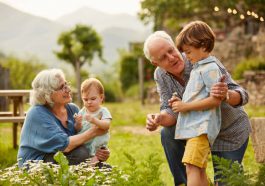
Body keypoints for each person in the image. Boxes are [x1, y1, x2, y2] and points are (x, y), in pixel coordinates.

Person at [143, 30, 251, 186]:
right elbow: (170, 110)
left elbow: (243, 94)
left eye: (171, 50)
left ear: (174, 45)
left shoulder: (201, 58)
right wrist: (159, 118)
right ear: (155, 63)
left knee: (227, 182)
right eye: (163, 58)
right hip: (198, 132)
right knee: (167, 133)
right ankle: (184, 183)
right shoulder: (160, 75)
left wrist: (226, 94)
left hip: (228, 131)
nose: (172, 57)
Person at [17, 69, 110, 167]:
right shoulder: (37, 113)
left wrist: (101, 151)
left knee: (106, 169)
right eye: (62, 87)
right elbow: (65, 146)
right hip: (37, 163)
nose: (68, 89)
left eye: (66, 84)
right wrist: (94, 131)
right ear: (48, 94)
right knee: (80, 154)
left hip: (64, 156)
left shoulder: (72, 109)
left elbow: (83, 137)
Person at [171, 21, 223, 186]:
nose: (186, 56)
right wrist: (180, 102)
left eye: (188, 51)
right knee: (197, 169)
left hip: (201, 128)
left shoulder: (210, 68)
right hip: (195, 129)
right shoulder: (199, 68)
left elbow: (215, 100)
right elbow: (198, 97)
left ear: (204, 45)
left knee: (192, 167)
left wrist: (184, 107)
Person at [76, 78, 112, 166]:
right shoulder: (82, 111)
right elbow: (78, 129)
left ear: (101, 97)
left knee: (94, 161)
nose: (89, 102)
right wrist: (78, 123)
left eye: (93, 99)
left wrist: (94, 120)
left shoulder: (103, 111)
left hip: (98, 146)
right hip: (85, 143)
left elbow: (106, 125)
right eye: (85, 99)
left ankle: (94, 163)